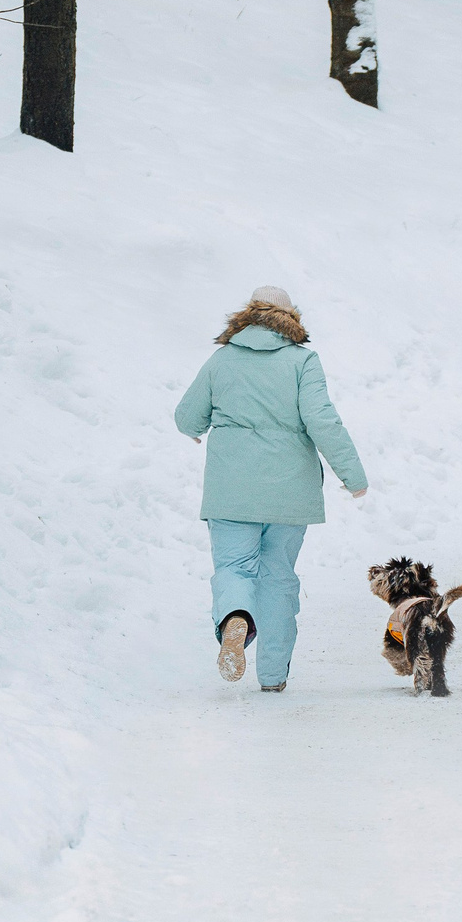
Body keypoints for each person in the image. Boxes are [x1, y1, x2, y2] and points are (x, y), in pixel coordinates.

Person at [174, 285, 368, 692]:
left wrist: (195, 431)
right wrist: (352, 477)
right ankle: (273, 677)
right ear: (289, 318)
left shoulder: (222, 359)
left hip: (231, 491)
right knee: (277, 577)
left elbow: (188, 416)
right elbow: (322, 421)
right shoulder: (303, 361)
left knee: (234, 568)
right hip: (288, 493)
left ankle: (235, 619)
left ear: (247, 315)